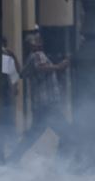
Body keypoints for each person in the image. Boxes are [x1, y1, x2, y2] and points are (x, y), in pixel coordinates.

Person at [7, 34, 70, 163]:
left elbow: (22, 74)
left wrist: (14, 57)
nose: (39, 43)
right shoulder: (38, 55)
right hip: (48, 104)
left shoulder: (31, 57)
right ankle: (60, 164)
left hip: (41, 104)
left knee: (32, 135)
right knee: (68, 134)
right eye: (36, 41)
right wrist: (59, 67)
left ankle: (13, 159)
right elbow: (41, 68)